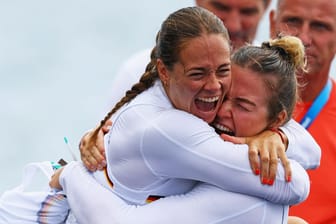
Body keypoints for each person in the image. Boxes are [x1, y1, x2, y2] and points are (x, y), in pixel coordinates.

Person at [50, 34, 318, 224]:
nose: (221, 108)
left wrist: (71, 175)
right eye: (223, 94)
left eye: (242, 105)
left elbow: (298, 179)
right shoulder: (189, 126)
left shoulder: (248, 197)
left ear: (276, 119)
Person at [106, 0, 272, 118]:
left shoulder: (270, 74)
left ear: (266, 8)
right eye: (221, 7)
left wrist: (278, 137)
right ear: (163, 72)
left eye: (247, 12)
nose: (234, 25)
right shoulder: (136, 70)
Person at [268, 0, 336, 223]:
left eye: (320, 26)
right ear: (272, 23)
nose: (303, 39)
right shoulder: (227, 102)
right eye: (293, 21)